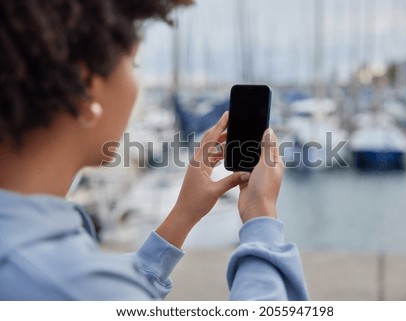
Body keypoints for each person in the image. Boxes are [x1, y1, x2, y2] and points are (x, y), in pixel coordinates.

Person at [0, 0, 308, 300]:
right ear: (86, 86)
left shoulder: (32, 264)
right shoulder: (71, 288)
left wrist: (183, 215)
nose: (138, 83)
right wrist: (261, 220)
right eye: (133, 65)